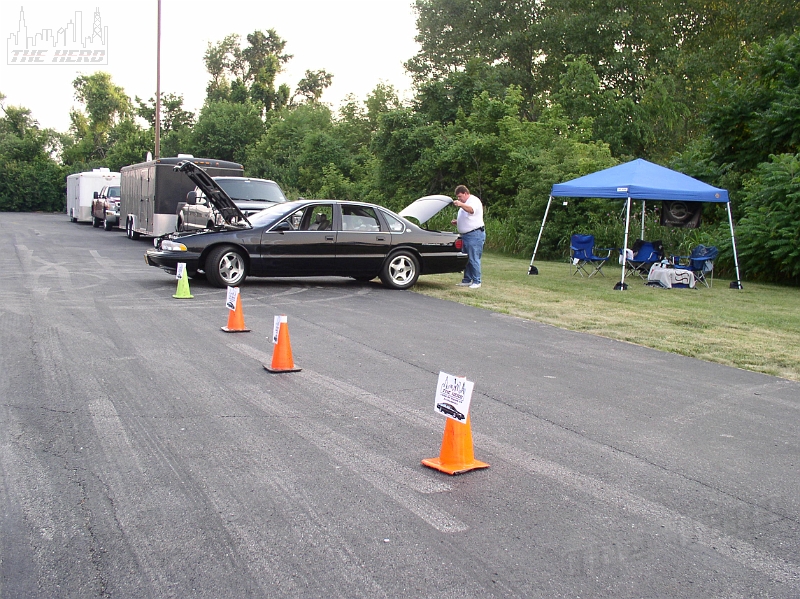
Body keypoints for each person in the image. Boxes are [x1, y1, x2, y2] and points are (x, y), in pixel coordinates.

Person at [451, 184, 485, 289]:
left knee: (474, 258)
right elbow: (469, 217)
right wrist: (458, 221)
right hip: (465, 235)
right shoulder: (465, 203)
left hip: (474, 234)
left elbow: (471, 210)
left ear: (466, 193)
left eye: (460, 196)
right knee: (467, 259)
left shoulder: (473, 201)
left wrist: (460, 204)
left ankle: (477, 281)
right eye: (458, 197)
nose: (459, 199)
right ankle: (467, 279)